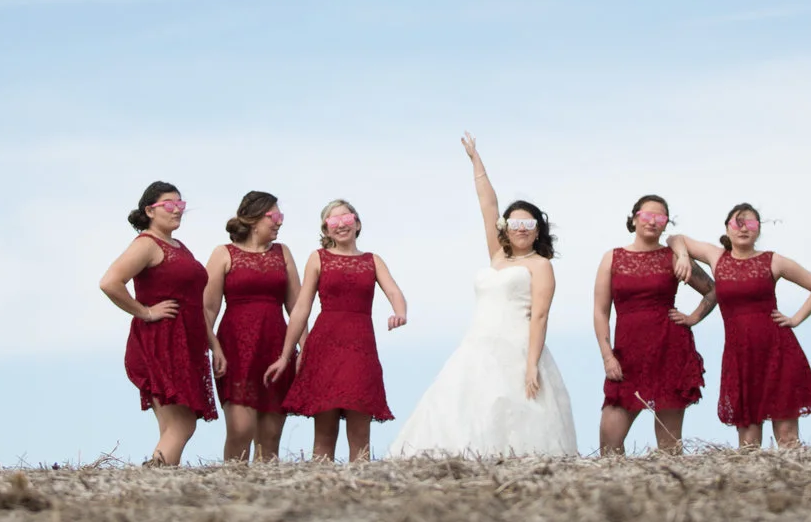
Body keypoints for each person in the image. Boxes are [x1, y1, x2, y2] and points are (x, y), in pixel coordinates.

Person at [386, 136, 578, 459]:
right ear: (505, 227)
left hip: (518, 346)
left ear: (537, 230)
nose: (521, 228)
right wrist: (475, 160)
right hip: (477, 344)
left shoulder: (540, 265)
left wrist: (532, 364)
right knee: (458, 405)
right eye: (514, 223)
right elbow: (487, 204)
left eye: (528, 224)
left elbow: (540, 316)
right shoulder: (497, 255)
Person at [672, 203, 811, 449]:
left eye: (750, 223)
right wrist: (684, 259)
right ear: (727, 228)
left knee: (788, 438)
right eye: (737, 223)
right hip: (741, 357)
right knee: (748, 443)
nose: (744, 228)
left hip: (778, 352)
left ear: (758, 230)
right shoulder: (716, 257)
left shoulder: (773, 261)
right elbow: (675, 238)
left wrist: (795, 319)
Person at [271, 199, 408, 461]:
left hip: (360, 350)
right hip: (325, 348)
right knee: (325, 431)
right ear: (326, 229)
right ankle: (320, 485)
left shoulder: (372, 260)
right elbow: (301, 308)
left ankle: (361, 484)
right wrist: (286, 355)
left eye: (346, 218)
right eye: (333, 221)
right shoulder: (318, 258)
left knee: (360, 432)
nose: (341, 225)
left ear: (357, 224)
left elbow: (394, 291)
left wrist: (399, 313)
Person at [97, 181, 216, 465]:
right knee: (182, 424)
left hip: (184, 343)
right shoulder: (147, 244)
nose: (177, 210)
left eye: (180, 204)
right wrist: (145, 312)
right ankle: (155, 477)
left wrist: (214, 346)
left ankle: (161, 481)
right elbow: (110, 282)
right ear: (150, 211)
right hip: (160, 343)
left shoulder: (179, 246)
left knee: (172, 425)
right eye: (169, 204)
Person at [594, 195, 714, 455]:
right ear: (634, 219)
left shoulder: (673, 257)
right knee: (609, 441)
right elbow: (601, 311)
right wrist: (607, 356)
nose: (652, 222)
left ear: (665, 224)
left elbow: (713, 290)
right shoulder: (612, 258)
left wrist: (693, 317)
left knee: (669, 447)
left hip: (669, 351)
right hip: (626, 357)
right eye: (647, 215)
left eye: (660, 218)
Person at [204, 191, 296, 462]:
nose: (280, 222)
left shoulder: (283, 252)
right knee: (240, 430)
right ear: (254, 219)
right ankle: (233, 483)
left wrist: (305, 348)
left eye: (280, 216)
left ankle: (266, 488)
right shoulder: (223, 253)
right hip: (235, 349)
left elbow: (297, 308)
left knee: (271, 436)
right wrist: (213, 348)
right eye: (274, 216)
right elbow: (207, 309)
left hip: (276, 347)